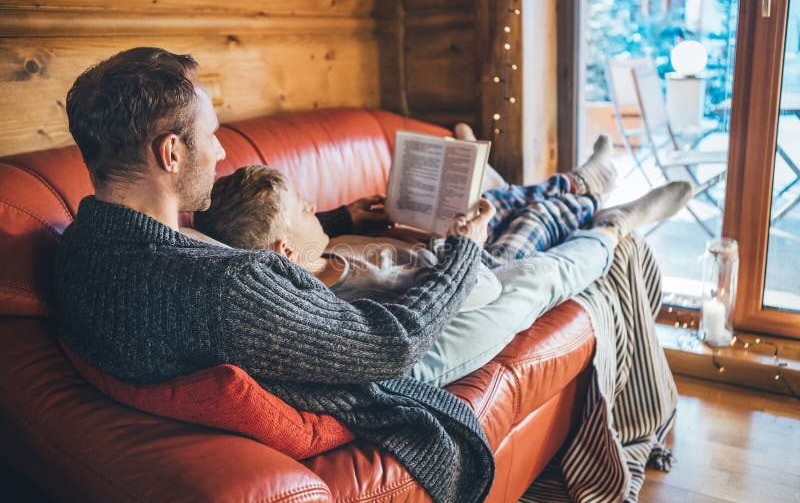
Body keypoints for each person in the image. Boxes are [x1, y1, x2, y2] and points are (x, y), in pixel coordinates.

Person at [55, 47, 496, 503]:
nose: (221, 151)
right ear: (171, 153)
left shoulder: (79, 248)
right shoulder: (227, 288)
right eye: (212, 136)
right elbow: (392, 345)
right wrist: (465, 250)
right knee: (550, 275)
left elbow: (201, 247)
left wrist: (336, 216)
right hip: (373, 366)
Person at [193, 137, 692, 386]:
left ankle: (576, 181)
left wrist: (353, 217)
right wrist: (462, 245)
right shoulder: (360, 293)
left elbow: (310, 232)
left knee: (501, 201)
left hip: (440, 247)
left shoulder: (315, 253)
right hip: (474, 268)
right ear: (283, 251)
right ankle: (609, 212)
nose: (311, 205)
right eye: (302, 206)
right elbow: (474, 289)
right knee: (535, 219)